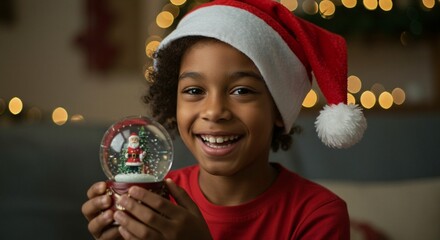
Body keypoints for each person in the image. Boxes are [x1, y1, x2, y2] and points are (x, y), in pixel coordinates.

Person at [81, 0, 367, 239]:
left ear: (278, 109)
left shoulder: (317, 215)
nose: (215, 110)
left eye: (242, 90)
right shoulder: (153, 201)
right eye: (194, 90)